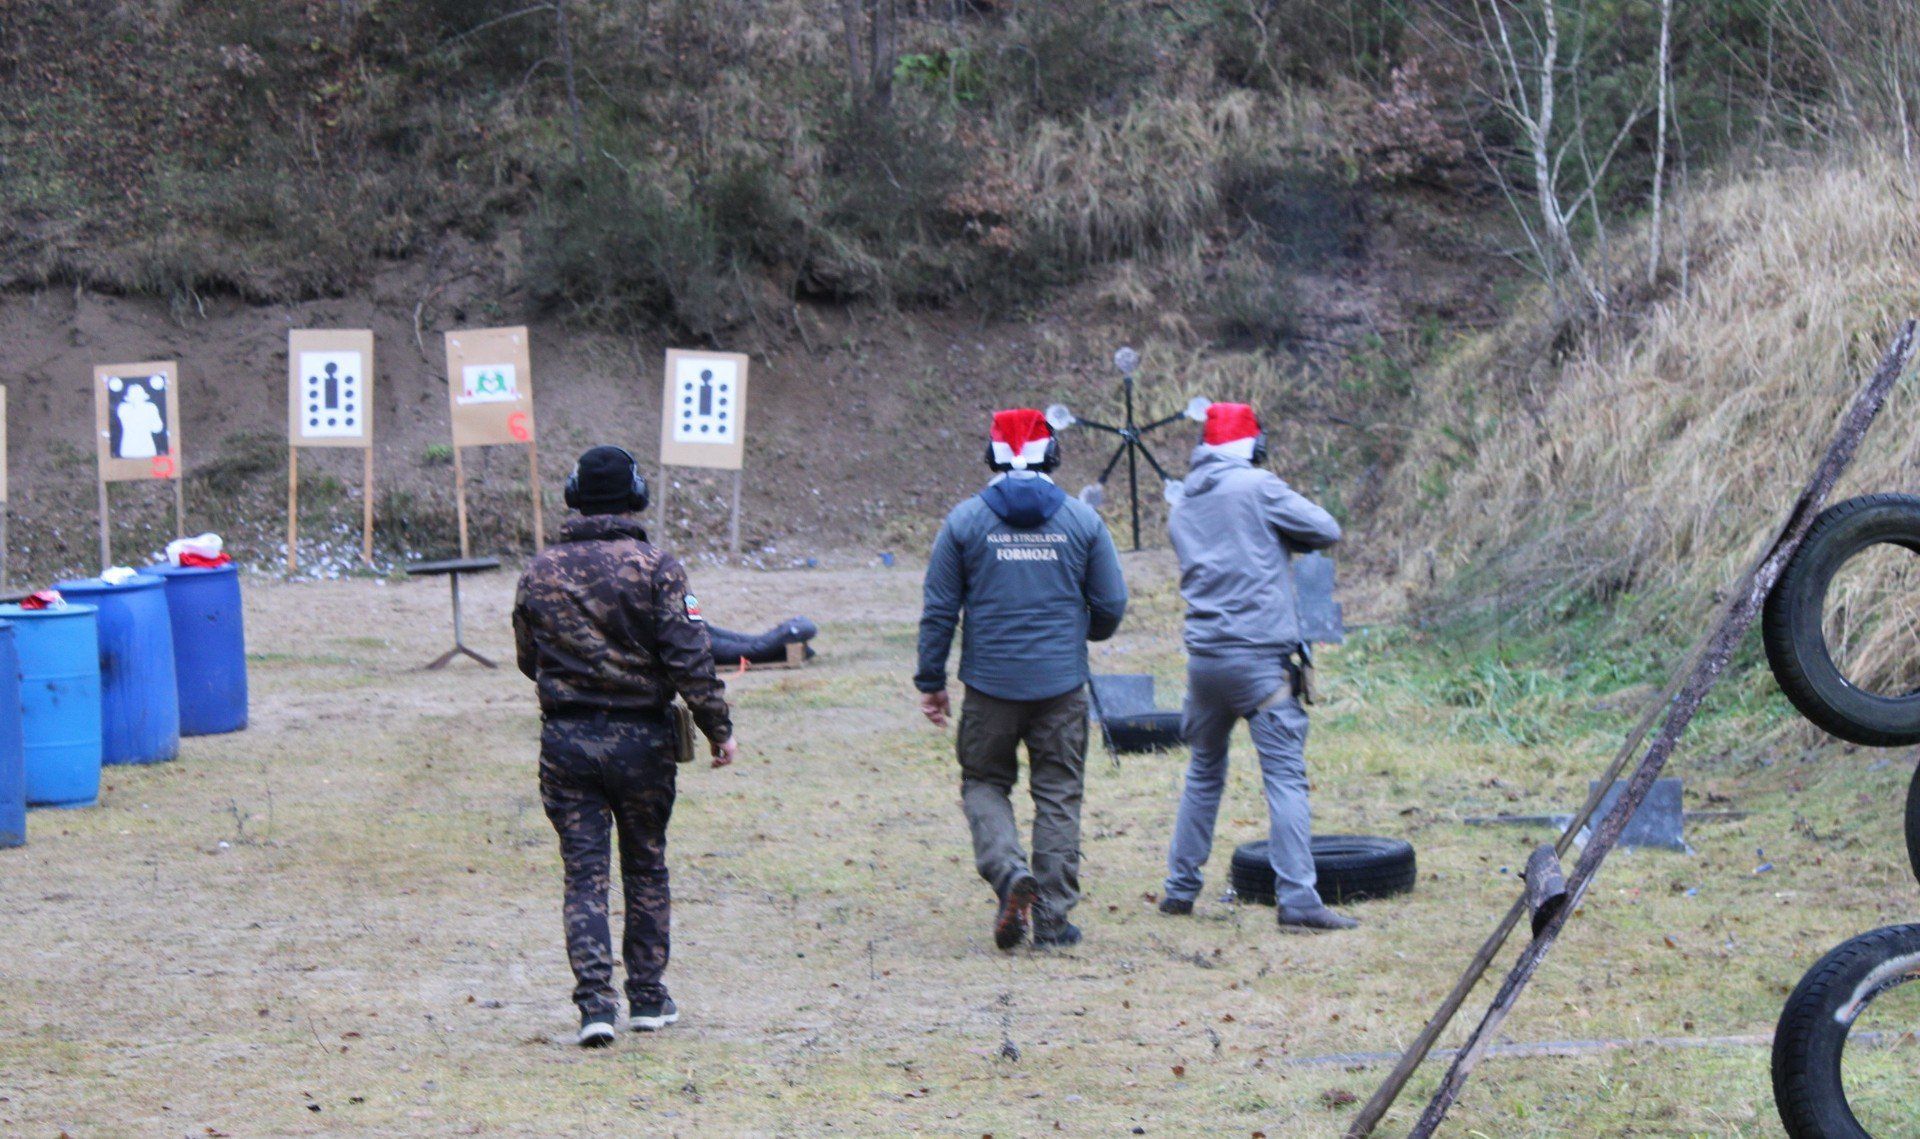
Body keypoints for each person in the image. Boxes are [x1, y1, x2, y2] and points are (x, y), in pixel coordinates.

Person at [513, 445, 739, 1047]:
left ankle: (594, 1006)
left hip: (566, 741)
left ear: (574, 496)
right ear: (636, 496)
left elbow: (528, 659)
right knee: (645, 865)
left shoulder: (539, 571)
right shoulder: (659, 568)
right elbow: (691, 658)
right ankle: (647, 997)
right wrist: (718, 727)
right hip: (644, 743)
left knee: (584, 876)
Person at [916, 409, 1128, 950]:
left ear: (991, 456)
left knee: (984, 782)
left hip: (989, 688)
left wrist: (931, 679)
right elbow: (1110, 604)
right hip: (1061, 687)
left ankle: (1010, 873)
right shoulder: (1082, 521)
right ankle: (1052, 922)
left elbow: (939, 610)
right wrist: (1083, 632)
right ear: (1053, 455)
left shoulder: (964, 521)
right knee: (1058, 793)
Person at [1157, 403, 1353, 932]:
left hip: (1204, 662)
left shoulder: (1184, 500)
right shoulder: (1258, 486)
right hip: (1259, 662)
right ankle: (1299, 900)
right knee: (1285, 778)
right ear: (1253, 444)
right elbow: (1325, 528)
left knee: (1203, 772)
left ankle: (1179, 888)